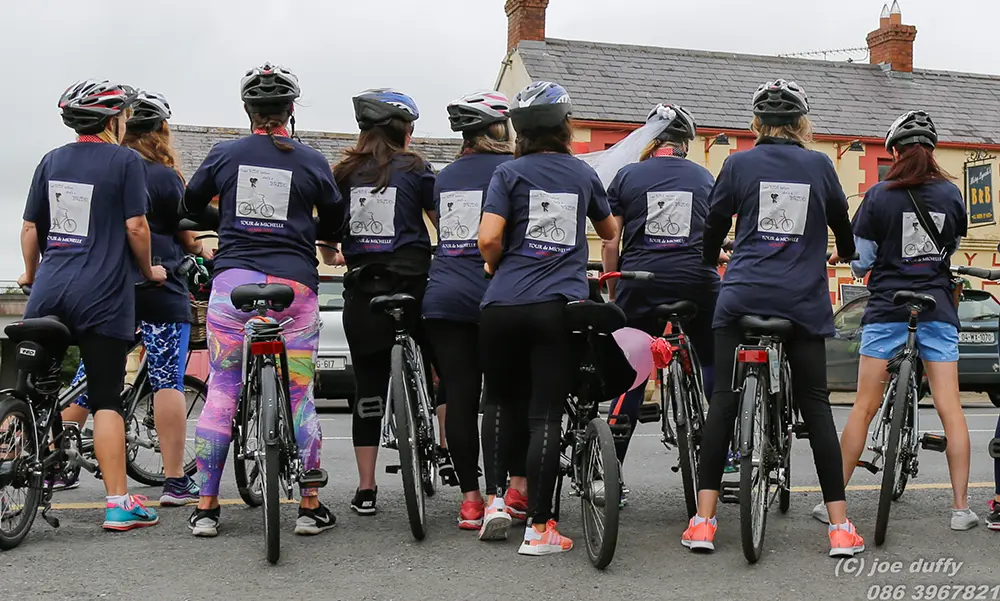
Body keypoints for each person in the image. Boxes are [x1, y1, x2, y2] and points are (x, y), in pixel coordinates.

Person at [682, 79, 865, 557]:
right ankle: (840, 528)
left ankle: (703, 521)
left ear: (757, 124)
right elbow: (842, 226)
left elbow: (714, 224)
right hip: (801, 302)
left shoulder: (738, 164)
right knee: (816, 405)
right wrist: (844, 252)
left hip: (741, 296)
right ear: (802, 123)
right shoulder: (820, 165)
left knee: (723, 401)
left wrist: (710, 256)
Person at [183, 63, 344, 537]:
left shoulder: (225, 154)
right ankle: (310, 506)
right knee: (299, 393)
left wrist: (225, 218)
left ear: (248, 109)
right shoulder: (311, 160)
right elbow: (335, 217)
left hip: (233, 285)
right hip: (295, 288)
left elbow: (189, 205)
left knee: (222, 391)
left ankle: (206, 509)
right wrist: (309, 229)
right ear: (291, 109)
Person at [817, 110, 978, 531]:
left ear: (894, 153)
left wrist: (855, 265)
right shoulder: (951, 194)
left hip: (888, 307)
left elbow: (862, 260)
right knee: (950, 407)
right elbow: (951, 246)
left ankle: (832, 500)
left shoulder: (878, 195)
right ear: (931, 152)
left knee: (864, 407)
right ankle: (961, 509)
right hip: (937, 307)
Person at [478, 81, 619, 554]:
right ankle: (539, 529)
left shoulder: (507, 173)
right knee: (545, 414)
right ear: (564, 126)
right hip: (555, 307)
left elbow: (488, 238)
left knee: (498, 401)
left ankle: (495, 502)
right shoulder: (581, 173)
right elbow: (608, 230)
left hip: (501, 305)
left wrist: (496, 266)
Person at [19, 79, 166, 530]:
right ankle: (119, 504)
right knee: (105, 398)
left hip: (49, 292)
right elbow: (136, 226)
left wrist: (30, 274)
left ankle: (17, 461)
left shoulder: (51, 160)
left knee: (31, 394)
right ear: (112, 120)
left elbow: (31, 229)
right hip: (102, 295)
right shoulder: (125, 161)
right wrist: (148, 270)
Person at [56, 92, 210, 506]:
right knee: (167, 379)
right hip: (160, 287)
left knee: (91, 376)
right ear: (162, 130)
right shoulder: (164, 176)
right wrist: (201, 248)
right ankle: (175, 481)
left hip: (109, 288)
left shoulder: (108, 169)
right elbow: (185, 233)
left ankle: (56, 463)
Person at [601, 103, 726, 506]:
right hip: (696, 281)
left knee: (633, 372)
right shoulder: (704, 176)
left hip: (641, 282)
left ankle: (608, 476)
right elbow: (711, 232)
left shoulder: (627, 175)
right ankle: (726, 460)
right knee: (712, 359)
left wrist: (614, 290)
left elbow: (610, 241)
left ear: (651, 141)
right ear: (685, 144)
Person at [422, 90, 528, 533]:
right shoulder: (514, 171)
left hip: (445, 296)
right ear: (500, 129)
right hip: (498, 294)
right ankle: (510, 491)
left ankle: (469, 501)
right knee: (507, 395)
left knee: (460, 398)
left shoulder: (444, 177)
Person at [328, 89, 436, 516]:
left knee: (368, 383)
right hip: (413, 283)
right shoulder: (417, 167)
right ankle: (443, 449)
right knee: (438, 364)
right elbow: (441, 219)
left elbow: (329, 232)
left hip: (364, 288)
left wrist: (334, 254)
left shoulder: (343, 172)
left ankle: (366, 487)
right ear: (403, 131)